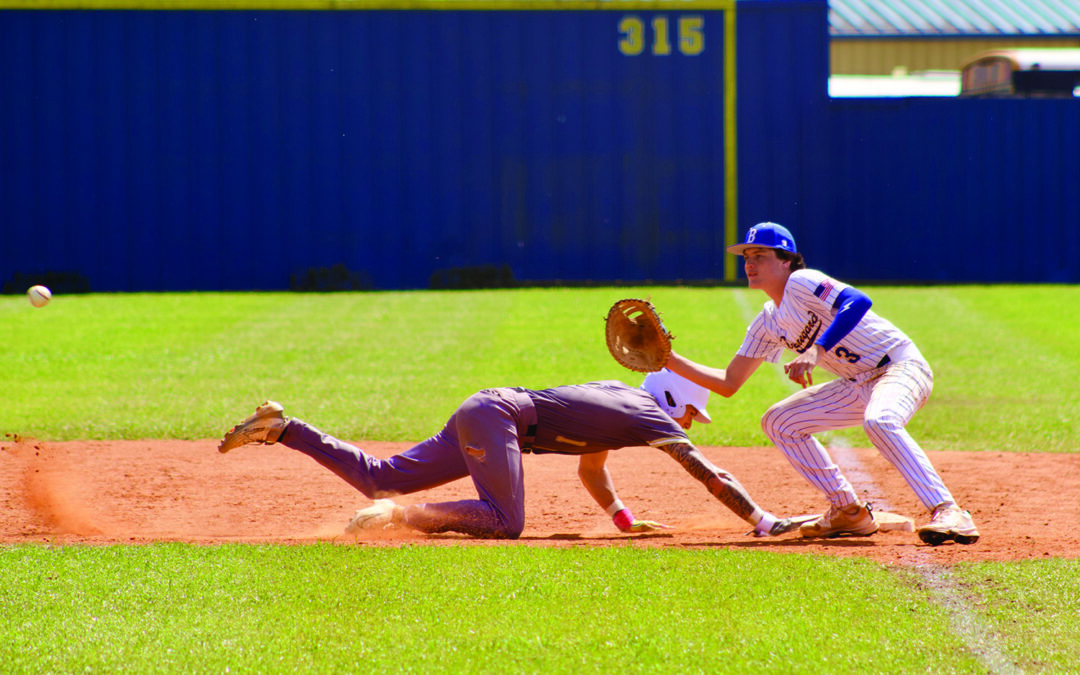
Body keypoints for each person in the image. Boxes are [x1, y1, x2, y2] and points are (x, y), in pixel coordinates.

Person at [667, 222, 979, 546]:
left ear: (786, 260)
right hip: (856, 384)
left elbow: (857, 301)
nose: (749, 263)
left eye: (759, 255)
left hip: (899, 366)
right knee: (779, 421)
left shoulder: (802, 281)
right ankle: (848, 511)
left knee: (880, 421)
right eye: (746, 256)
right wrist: (668, 359)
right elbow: (729, 382)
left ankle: (949, 511)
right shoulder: (767, 322)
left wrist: (817, 350)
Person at [218, 369, 801, 539]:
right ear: (674, 401)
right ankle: (400, 516)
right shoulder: (650, 415)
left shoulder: (627, 400)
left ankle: (283, 428)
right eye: (691, 413)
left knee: (380, 477)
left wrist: (623, 520)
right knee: (505, 521)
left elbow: (592, 469)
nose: (688, 424)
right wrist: (763, 521)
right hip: (498, 419)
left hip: (489, 410)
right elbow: (708, 472)